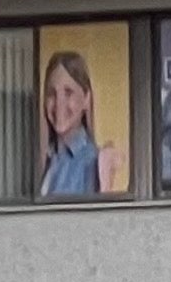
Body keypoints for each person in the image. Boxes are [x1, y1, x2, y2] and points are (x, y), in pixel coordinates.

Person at [38, 50, 123, 198]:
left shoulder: (92, 163)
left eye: (68, 92)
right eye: (52, 93)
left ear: (86, 99)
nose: (59, 103)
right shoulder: (48, 159)